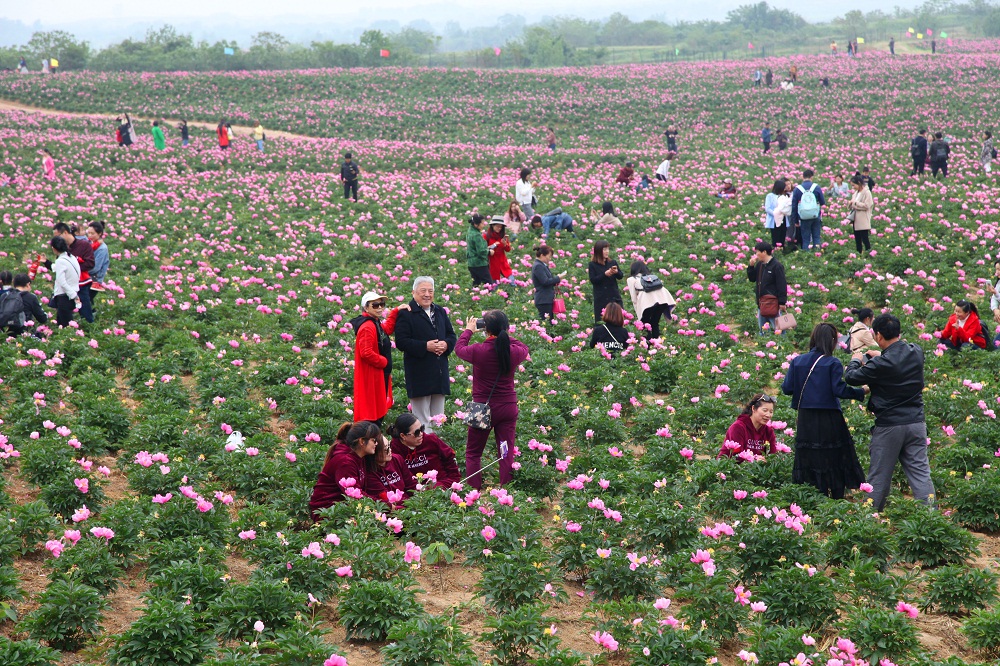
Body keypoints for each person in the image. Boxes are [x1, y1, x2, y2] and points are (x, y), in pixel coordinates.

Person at [844, 314, 935, 511]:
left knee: (879, 475)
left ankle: (869, 518)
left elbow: (851, 377)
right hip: (916, 423)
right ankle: (931, 515)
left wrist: (856, 360)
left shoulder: (880, 366)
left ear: (877, 336)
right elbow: (897, 361)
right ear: (898, 332)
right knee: (920, 473)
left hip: (889, 426)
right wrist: (882, 356)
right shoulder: (916, 351)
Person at [781, 323, 867, 499]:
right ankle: (835, 497)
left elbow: (787, 388)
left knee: (810, 455)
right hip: (829, 418)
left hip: (806, 418)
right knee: (833, 456)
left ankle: (813, 496)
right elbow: (839, 390)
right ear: (832, 341)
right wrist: (861, 391)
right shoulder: (832, 362)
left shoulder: (797, 361)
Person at [455, 310, 529, 490]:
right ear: (507, 328)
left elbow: (459, 349)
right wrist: (503, 334)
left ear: (486, 329)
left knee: (473, 452)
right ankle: (507, 491)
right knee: (505, 451)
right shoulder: (514, 351)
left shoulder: (478, 350)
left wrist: (469, 330)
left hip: (482, 409)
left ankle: (474, 492)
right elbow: (524, 347)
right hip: (507, 408)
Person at [394, 276, 456, 434]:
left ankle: (437, 452)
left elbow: (451, 334)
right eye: (423, 291)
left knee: (438, 419)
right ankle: (424, 452)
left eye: (431, 291)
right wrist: (425, 346)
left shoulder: (440, 311)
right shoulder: (406, 313)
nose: (427, 294)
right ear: (414, 292)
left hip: (439, 372)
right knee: (421, 421)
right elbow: (401, 342)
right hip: (419, 374)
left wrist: (446, 344)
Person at [351, 291, 408, 426]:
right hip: (372, 375)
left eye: (382, 304)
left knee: (376, 408)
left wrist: (396, 311)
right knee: (372, 412)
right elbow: (366, 353)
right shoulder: (367, 327)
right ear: (366, 307)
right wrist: (384, 361)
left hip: (378, 374)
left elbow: (386, 329)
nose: (380, 308)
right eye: (375, 305)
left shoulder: (374, 322)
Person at [309, 421, 384, 520]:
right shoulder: (345, 462)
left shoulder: (359, 457)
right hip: (326, 511)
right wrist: (383, 506)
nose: (376, 443)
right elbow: (354, 494)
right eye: (374, 440)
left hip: (343, 507)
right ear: (362, 441)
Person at [388, 412, 461, 487]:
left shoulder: (431, 440)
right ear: (403, 436)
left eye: (422, 428)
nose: (421, 434)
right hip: (414, 491)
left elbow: (450, 458)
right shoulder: (395, 448)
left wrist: (452, 481)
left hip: (442, 484)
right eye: (416, 432)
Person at [52, 223, 94, 324]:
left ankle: (89, 331)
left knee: (85, 313)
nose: (56, 238)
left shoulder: (83, 245)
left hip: (81, 284)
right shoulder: (64, 252)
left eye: (58, 235)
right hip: (68, 287)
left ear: (65, 232)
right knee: (64, 315)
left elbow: (90, 263)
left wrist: (71, 270)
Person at [718, 394, 777, 460]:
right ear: (753, 409)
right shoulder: (738, 427)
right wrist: (754, 460)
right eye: (765, 410)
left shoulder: (768, 432)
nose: (768, 415)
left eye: (771, 412)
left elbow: (772, 456)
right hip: (731, 467)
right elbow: (736, 456)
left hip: (757, 469)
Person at [626, 260, 674, 340]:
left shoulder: (631, 279)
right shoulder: (652, 277)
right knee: (655, 323)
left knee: (645, 324)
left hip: (647, 303)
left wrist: (639, 314)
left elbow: (634, 299)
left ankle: (648, 345)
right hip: (663, 301)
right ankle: (657, 344)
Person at [747, 241, 787, 335]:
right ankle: (764, 346)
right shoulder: (760, 265)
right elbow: (752, 279)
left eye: (758, 252)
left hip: (773, 303)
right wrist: (751, 267)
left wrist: (782, 302)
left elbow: (782, 285)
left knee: (778, 329)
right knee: (763, 329)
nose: (756, 254)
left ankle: (781, 346)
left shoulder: (777, 266)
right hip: (762, 303)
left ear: (764, 252)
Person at [588, 240, 624, 324]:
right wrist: (604, 274)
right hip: (601, 298)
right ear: (598, 251)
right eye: (604, 249)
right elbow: (593, 280)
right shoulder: (592, 264)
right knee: (602, 322)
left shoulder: (612, 262)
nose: (607, 251)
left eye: (608, 249)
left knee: (618, 321)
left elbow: (620, 276)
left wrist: (616, 272)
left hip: (614, 297)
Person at [790, 169, 826, 251]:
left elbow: (794, 206)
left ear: (803, 177)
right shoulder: (816, 187)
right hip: (815, 216)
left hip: (803, 217)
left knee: (805, 239)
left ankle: (806, 256)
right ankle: (817, 255)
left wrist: (795, 220)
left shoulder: (797, 189)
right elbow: (822, 202)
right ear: (811, 177)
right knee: (816, 237)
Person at [48, 236, 79, 328]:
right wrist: (46, 262)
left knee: (65, 326)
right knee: (63, 324)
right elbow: (55, 267)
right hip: (71, 293)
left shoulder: (61, 261)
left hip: (64, 297)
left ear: (54, 248)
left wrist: (73, 295)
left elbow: (62, 282)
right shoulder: (71, 257)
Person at [531, 245, 562, 324]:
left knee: (549, 323)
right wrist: (557, 278)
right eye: (549, 256)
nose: (550, 259)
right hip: (543, 300)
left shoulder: (541, 265)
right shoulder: (538, 266)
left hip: (546, 299)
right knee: (547, 324)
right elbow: (545, 282)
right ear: (542, 255)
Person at [848, 174, 873, 253]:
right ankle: (859, 255)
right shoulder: (855, 193)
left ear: (859, 183)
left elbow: (867, 205)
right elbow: (852, 205)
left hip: (863, 219)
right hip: (856, 219)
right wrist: (850, 204)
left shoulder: (867, 192)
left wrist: (855, 203)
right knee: (857, 240)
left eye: (854, 185)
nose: (853, 187)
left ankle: (869, 254)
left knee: (865, 239)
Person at [466, 215, 493, 287]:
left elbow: (474, 247)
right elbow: (481, 252)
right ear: (476, 224)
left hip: (471, 264)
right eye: (482, 223)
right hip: (479, 264)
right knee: (489, 284)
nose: (483, 225)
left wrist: (486, 248)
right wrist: (489, 252)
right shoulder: (476, 235)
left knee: (476, 284)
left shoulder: (470, 231)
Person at [86, 221, 109, 294]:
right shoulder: (88, 243)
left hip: (94, 280)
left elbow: (96, 268)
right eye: (88, 233)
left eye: (92, 233)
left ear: (100, 234)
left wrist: (80, 270)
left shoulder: (102, 248)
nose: (90, 235)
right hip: (85, 277)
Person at [764, 179, 786, 249]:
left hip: (783, 218)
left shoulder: (784, 196)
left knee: (782, 236)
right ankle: (775, 251)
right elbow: (767, 208)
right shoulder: (770, 196)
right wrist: (776, 213)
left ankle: (781, 250)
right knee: (776, 237)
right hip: (774, 219)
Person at [776, 179, 794, 248]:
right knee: (789, 228)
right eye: (786, 185)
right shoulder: (781, 196)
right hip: (786, 215)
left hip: (794, 214)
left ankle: (793, 242)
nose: (788, 186)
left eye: (789, 184)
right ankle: (789, 242)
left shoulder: (795, 192)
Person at [987, 260, 1000, 349]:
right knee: (996, 343)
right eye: (996, 269)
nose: (997, 272)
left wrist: (996, 293)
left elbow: (996, 296)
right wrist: (996, 310)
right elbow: (994, 299)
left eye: (999, 269)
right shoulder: (999, 283)